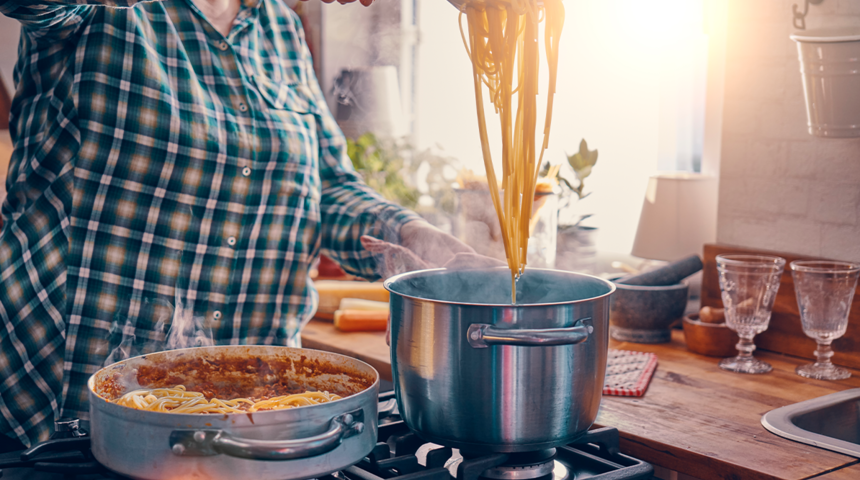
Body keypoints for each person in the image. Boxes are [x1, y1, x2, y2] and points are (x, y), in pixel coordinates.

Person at [0, 0, 476, 450]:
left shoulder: (279, 26)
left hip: (261, 419)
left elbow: (326, 187)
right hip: (70, 403)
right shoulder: (99, 16)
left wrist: (414, 238)